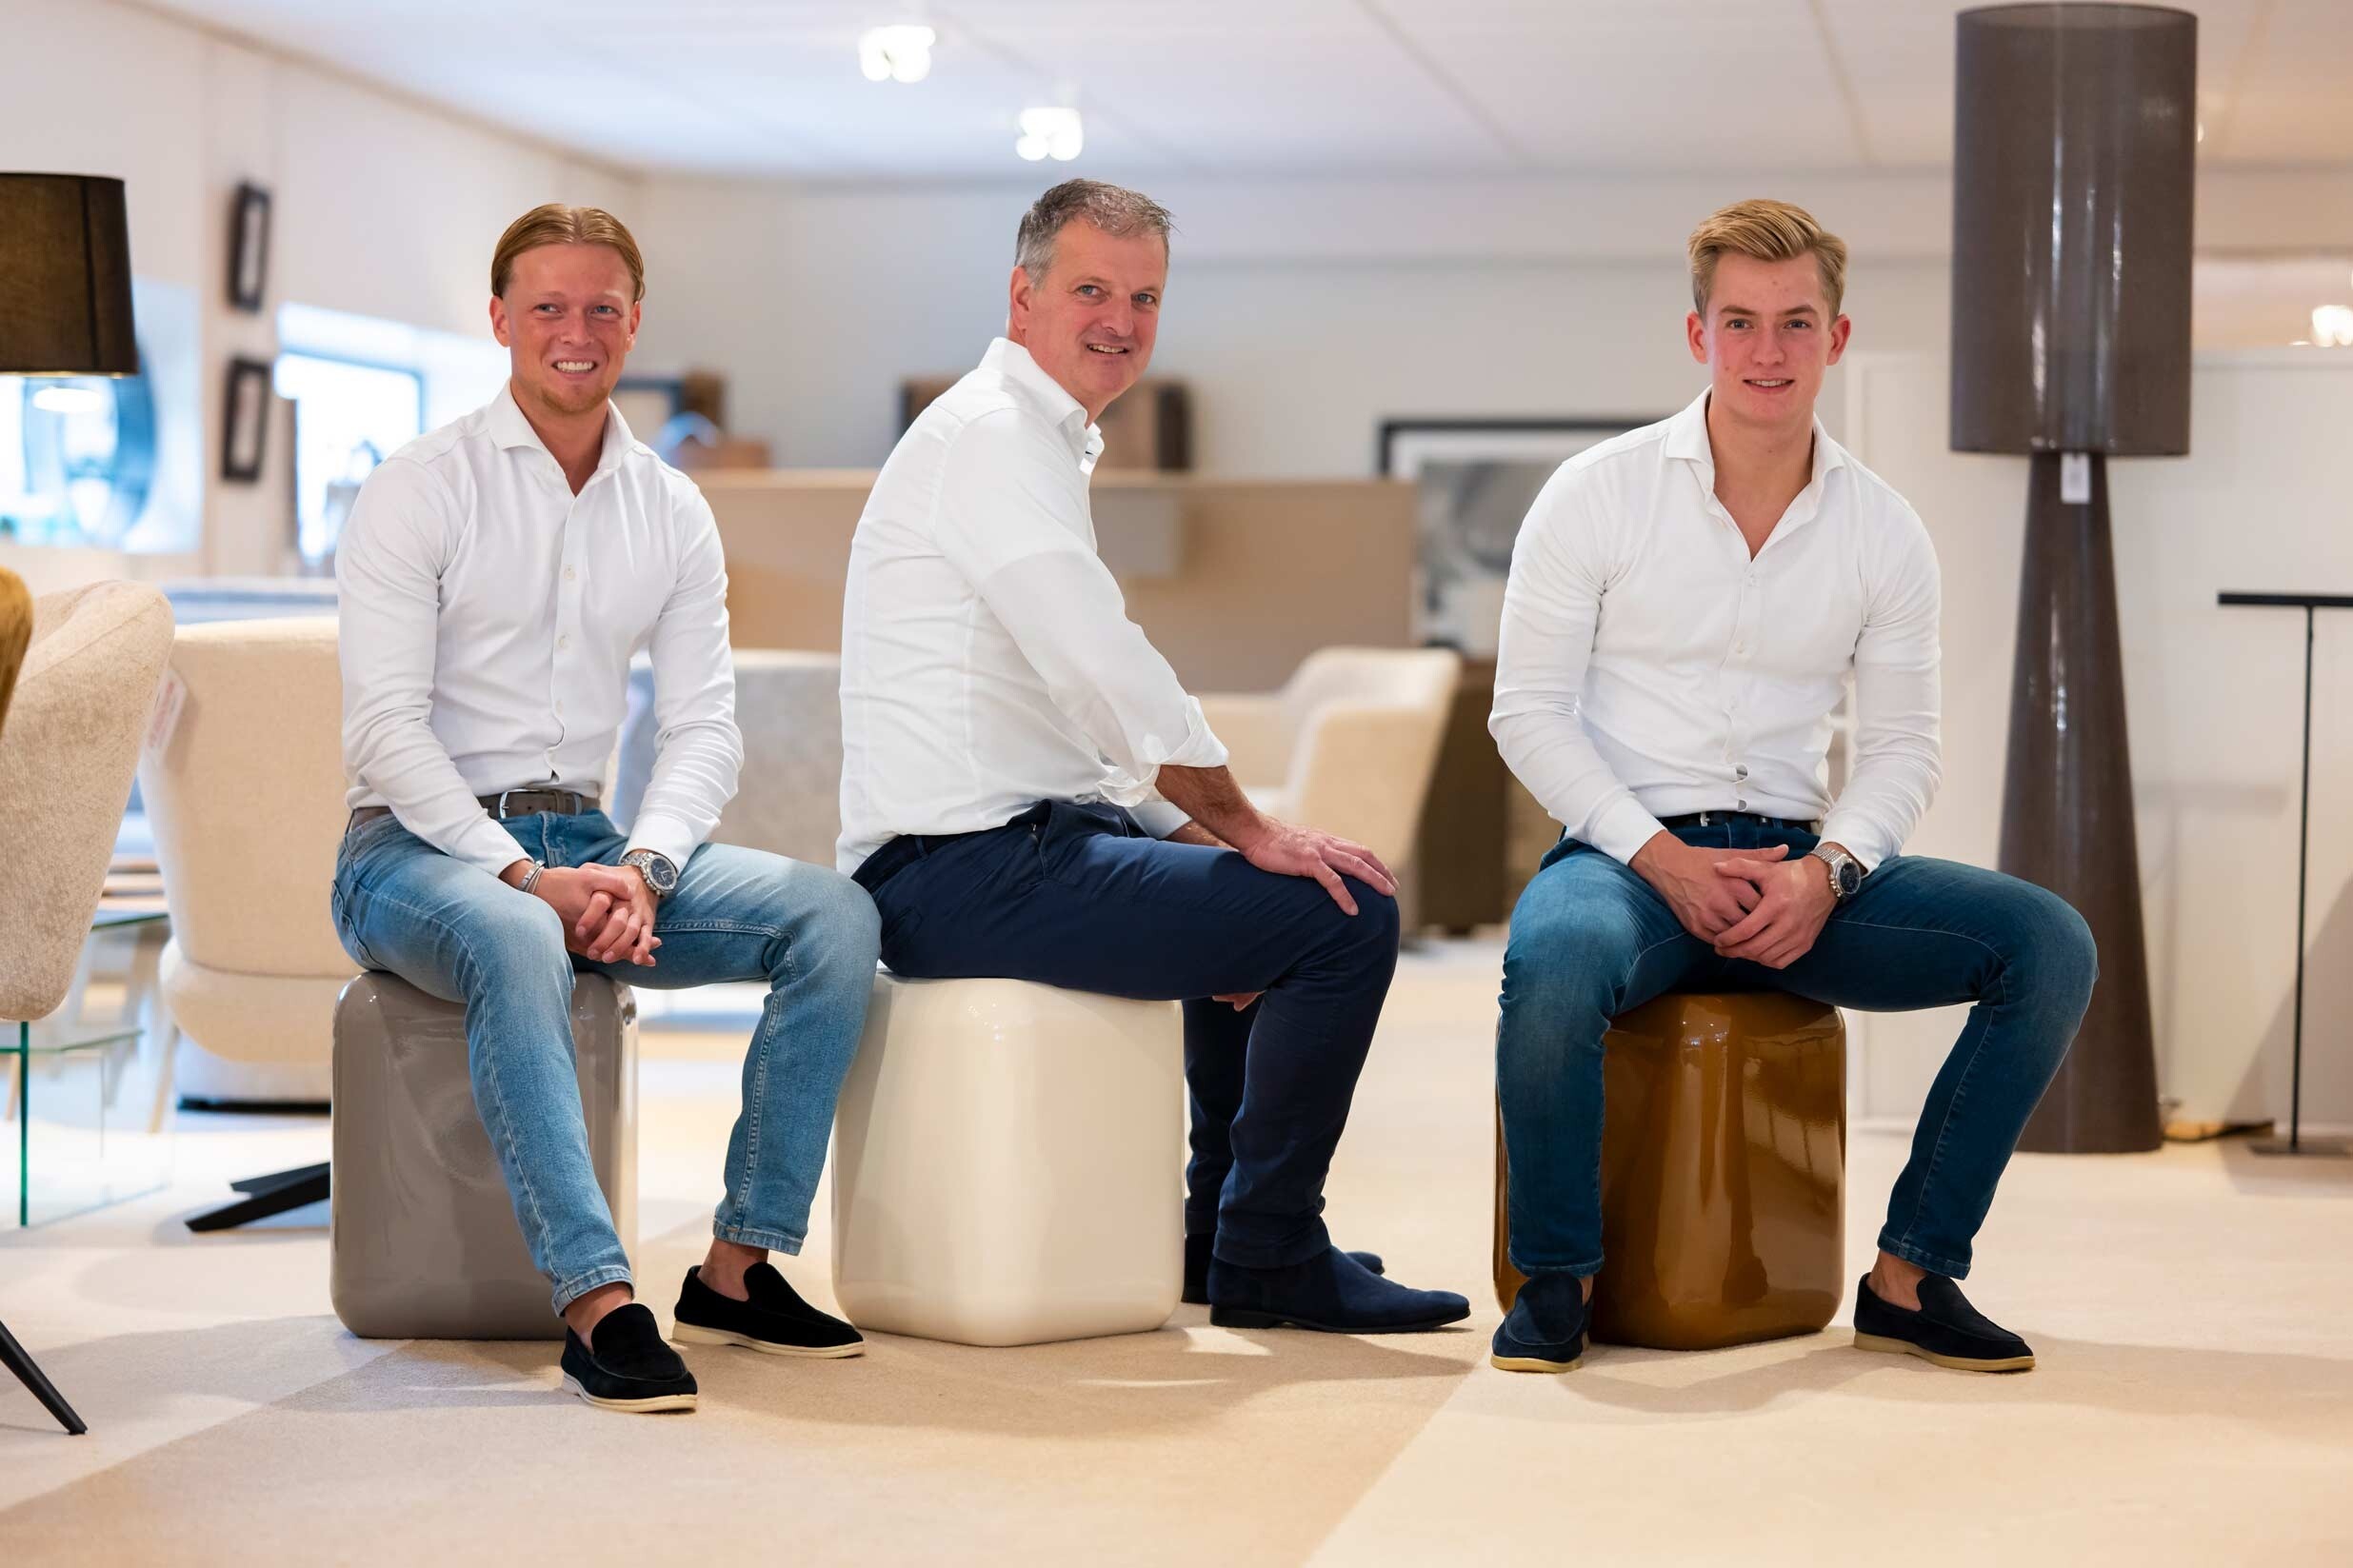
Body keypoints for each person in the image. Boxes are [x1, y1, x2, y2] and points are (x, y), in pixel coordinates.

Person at [835, 179, 1467, 1336]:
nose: (1119, 321)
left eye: (1143, 298)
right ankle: (1270, 1249)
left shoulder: (1028, 439)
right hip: (954, 871)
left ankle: (1217, 1237)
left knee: (1266, 900)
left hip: (1007, 848)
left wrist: (1207, 839)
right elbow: (1101, 669)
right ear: (1021, 297)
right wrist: (1246, 826)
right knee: (1343, 916)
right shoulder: (991, 439)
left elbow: (1068, 718)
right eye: (1090, 290)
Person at [1486, 199, 2097, 1375]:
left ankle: (1910, 1277)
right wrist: (1658, 858)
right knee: (1552, 961)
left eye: (1794, 323)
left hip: (1797, 873)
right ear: (1697, 334)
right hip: (1625, 862)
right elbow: (1527, 713)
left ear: (1836, 337)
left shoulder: (1883, 530)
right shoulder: (1594, 493)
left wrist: (1829, 873)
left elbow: (1902, 745)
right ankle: (1556, 1279)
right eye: (1739, 322)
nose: (1766, 351)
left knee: (2047, 945)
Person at [334, 204, 880, 1413]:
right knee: (517, 933)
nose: (574, 332)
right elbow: (384, 732)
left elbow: (704, 729)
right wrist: (523, 879)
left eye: (600, 308)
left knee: (833, 917)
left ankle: (738, 1271)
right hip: (409, 853)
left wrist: (644, 869)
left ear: (634, 325)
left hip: (589, 844)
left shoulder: (670, 509)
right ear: (500, 321)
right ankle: (596, 1301)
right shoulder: (418, 487)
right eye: (547, 307)